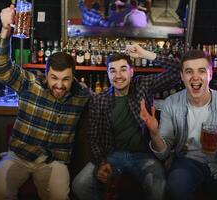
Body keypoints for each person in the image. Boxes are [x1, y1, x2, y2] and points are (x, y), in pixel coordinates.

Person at [0, 5, 91, 200]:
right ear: (46, 74)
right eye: (54, 78)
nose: (59, 85)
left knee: (60, 197)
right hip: (18, 157)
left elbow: (105, 102)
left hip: (54, 162)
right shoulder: (30, 83)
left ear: (73, 77)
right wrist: (5, 30)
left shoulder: (82, 94)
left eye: (66, 79)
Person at [72, 44, 180, 200]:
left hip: (144, 156)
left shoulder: (143, 85)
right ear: (108, 74)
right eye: (113, 71)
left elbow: (178, 70)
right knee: (79, 185)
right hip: (112, 156)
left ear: (132, 71)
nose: (118, 75)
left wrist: (145, 54)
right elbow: (94, 139)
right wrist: (102, 163)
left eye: (123, 69)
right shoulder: (99, 100)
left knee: (158, 187)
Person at [140, 49, 217, 200]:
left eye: (202, 71)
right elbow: (164, 152)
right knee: (175, 190)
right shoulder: (171, 104)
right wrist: (154, 134)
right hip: (187, 162)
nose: (195, 77)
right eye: (189, 71)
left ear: (210, 74)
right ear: (182, 76)